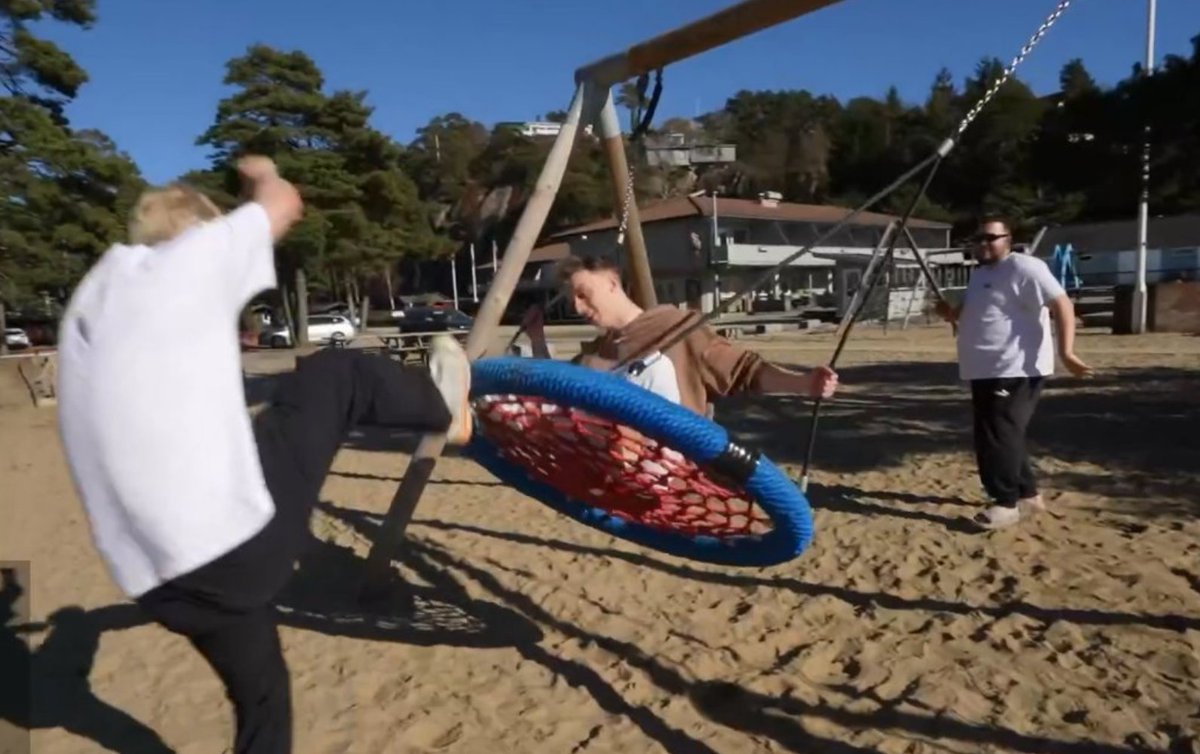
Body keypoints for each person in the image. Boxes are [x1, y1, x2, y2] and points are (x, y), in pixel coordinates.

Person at [55, 156, 474, 754]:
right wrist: (261, 173)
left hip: (154, 581)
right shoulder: (193, 260)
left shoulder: (95, 297)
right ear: (202, 234)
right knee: (332, 376)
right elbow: (285, 203)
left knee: (263, 695)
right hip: (231, 554)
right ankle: (445, 408)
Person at [522, 255, 838, 416]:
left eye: (582, 293)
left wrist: (803, 384)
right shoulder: (595, 355)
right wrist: (537, 338)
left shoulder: (676, 327)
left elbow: (743, 369)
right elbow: (556, 388)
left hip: (674, 465)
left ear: (611, 283)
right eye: (571, 299)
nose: (577, 306)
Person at [935, 217, 1093, 530]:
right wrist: (948, 313)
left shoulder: (1025, 267)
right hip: (982, 369)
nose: (983, 244)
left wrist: (1067, 352)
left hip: (1015, 368)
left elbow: (1062, 303)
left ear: (1008, 238)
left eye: (990, 238)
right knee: (1003, 432)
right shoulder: (980, 274)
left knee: (997, 434)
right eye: (978, 238)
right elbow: (968, 314)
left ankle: (1005, 502)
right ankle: (1028, 495)